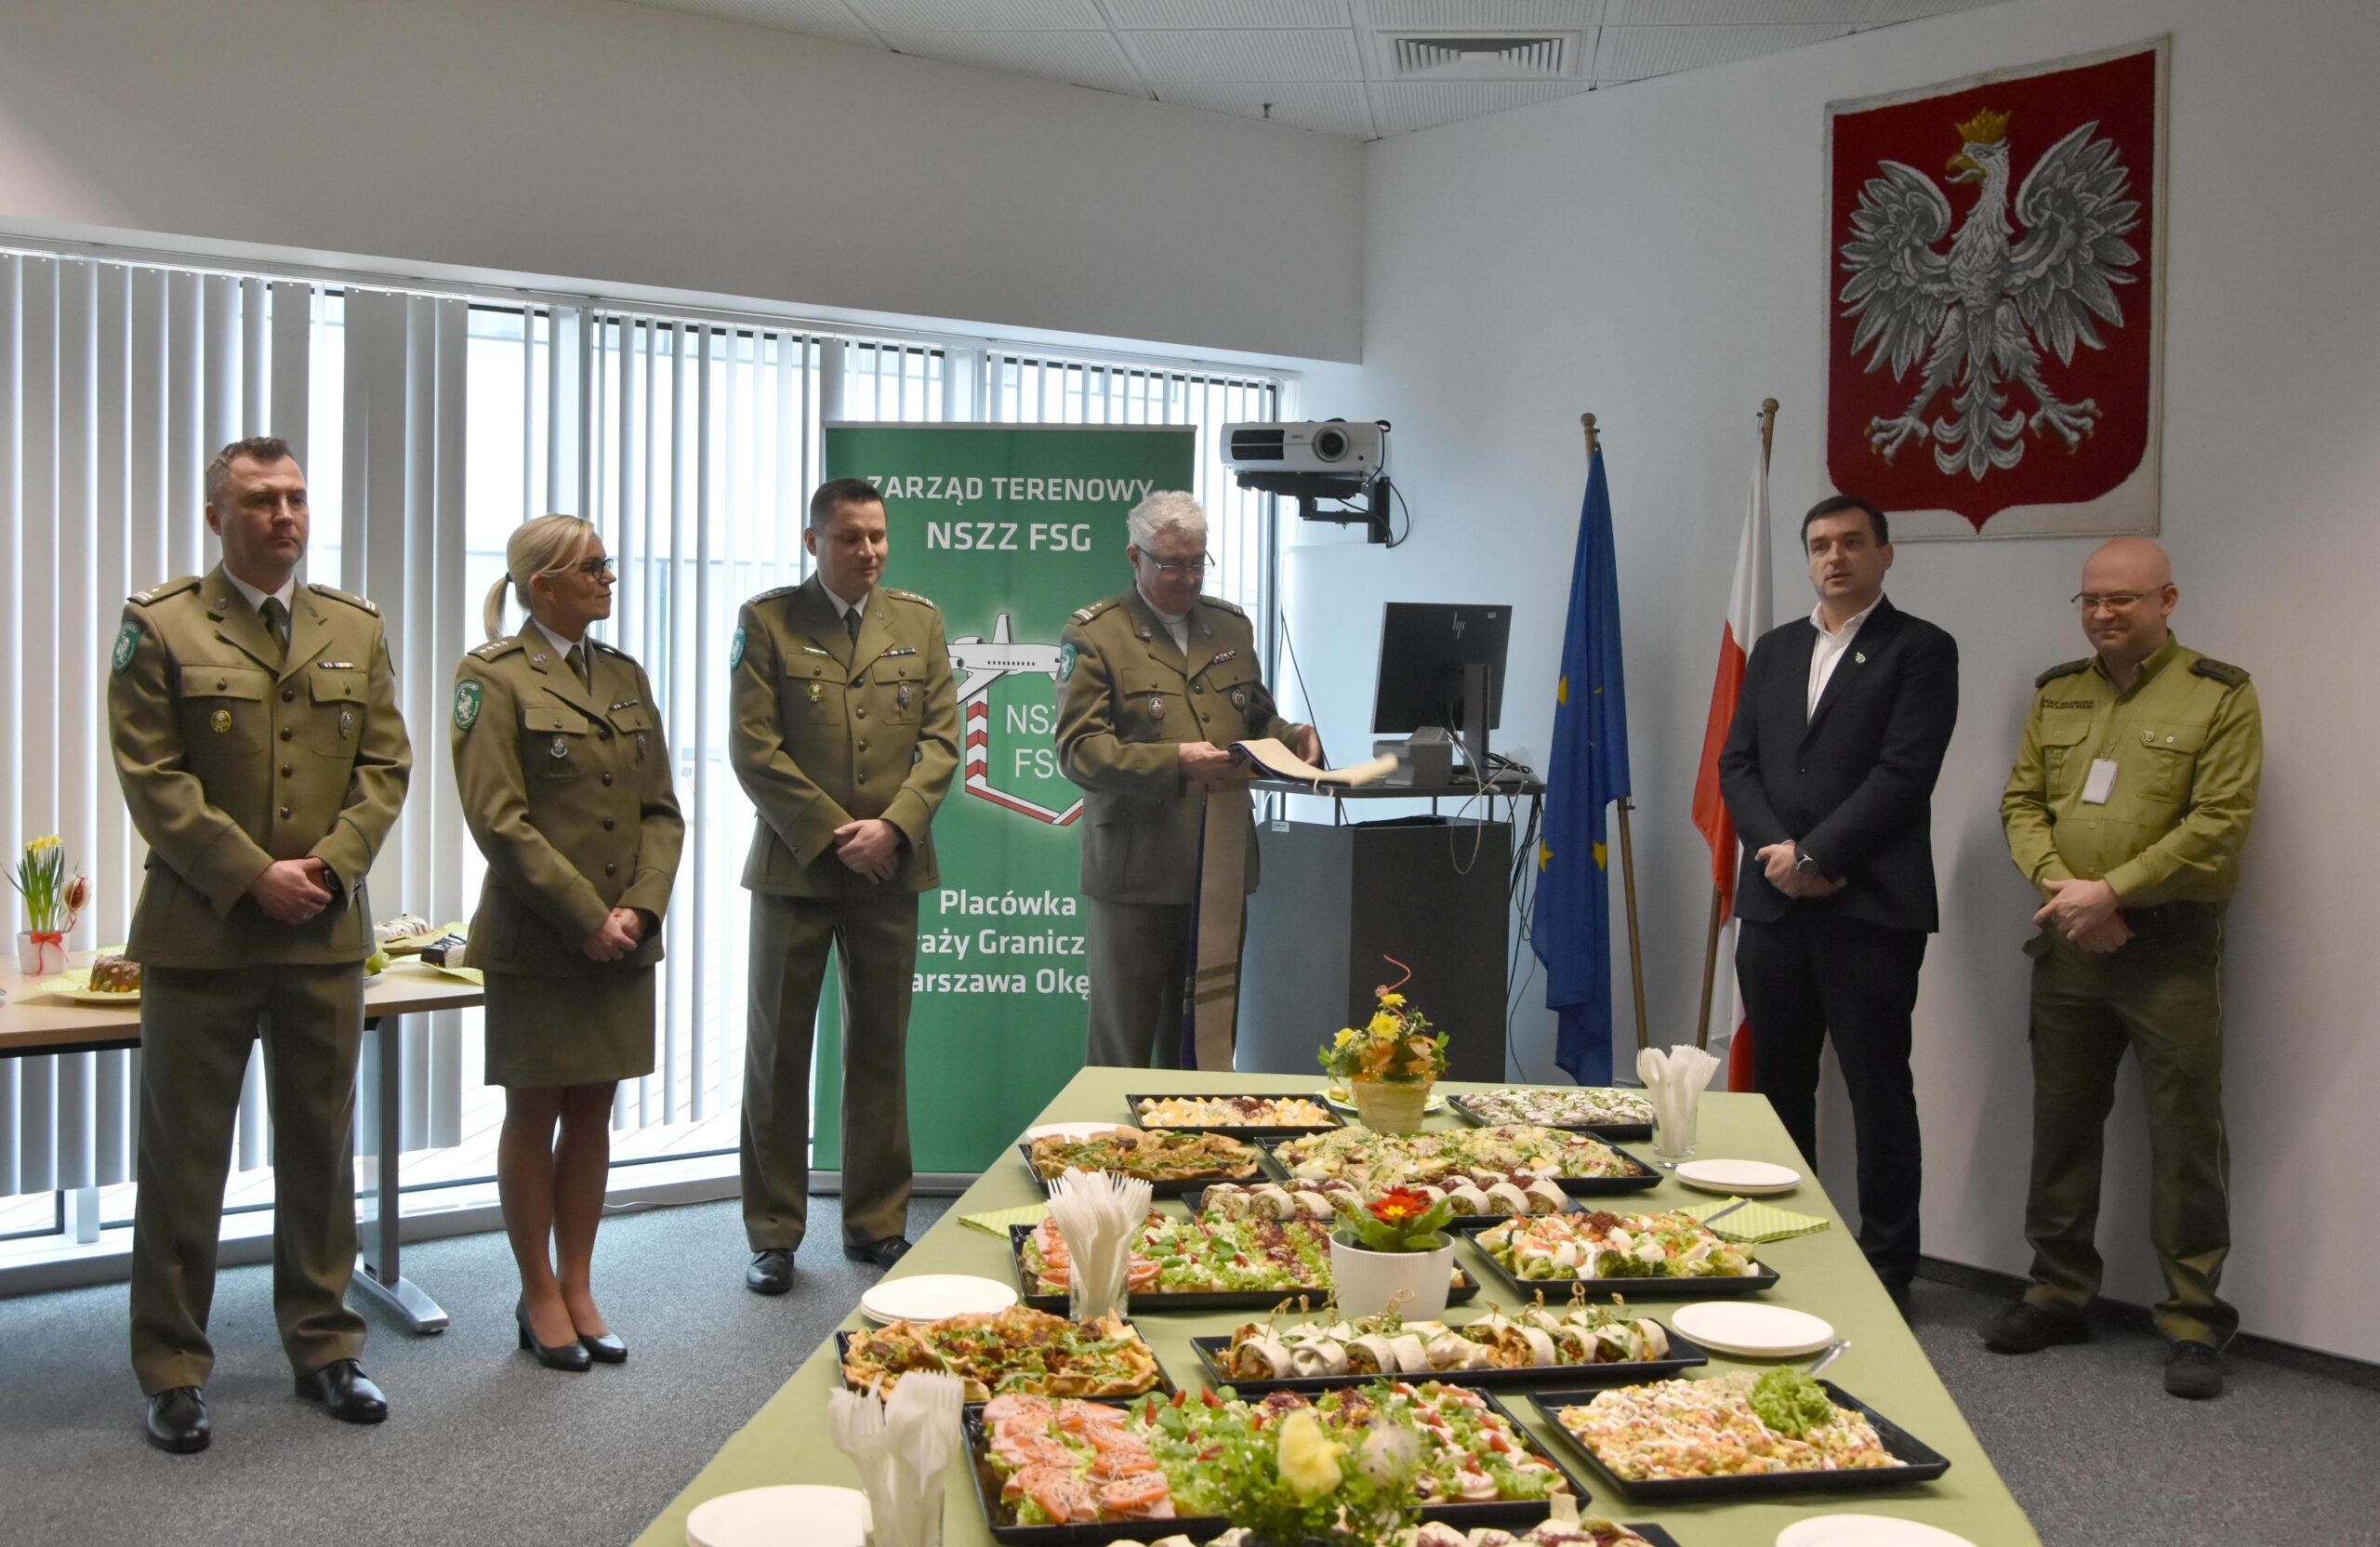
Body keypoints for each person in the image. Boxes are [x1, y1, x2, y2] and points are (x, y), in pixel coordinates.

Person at [108, 436, 413, 1452]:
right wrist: (252, 874)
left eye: (295, 497)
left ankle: (325, 1346)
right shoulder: (161, 623)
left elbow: (385, 766)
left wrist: (330, 864)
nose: (285, 515)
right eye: (259, 500)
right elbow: (153, 776)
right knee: (184, 1159)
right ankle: (171, 1366)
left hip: (323, 932)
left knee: (321, 1151)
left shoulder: (353, 627)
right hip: (202, 936)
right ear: (216, 517)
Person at [1984, 537, 2261, 1400]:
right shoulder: (2058, 692)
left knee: (2185, 1135)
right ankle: (2058, 1292)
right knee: (2062, 1121)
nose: (2104, 614)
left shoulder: (2220, 694)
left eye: (2124, 599)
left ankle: (2193, 1321)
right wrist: (2068, 894)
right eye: (2091, 600)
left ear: (2166, 600)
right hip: (2069, 941)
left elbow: (2218, 824)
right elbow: (2022, 803)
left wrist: (2114, 892)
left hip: (2169, 950)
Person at [451, 515, 683, 1370]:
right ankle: (538, 1291)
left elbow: (662, 810)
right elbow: (498, 819)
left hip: (623, 937)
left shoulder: (623, 674)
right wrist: (588, 916)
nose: (608, 577)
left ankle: (579, 1285)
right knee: (535, 1110)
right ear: (542, 584)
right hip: (542, 937)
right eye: (592, 566)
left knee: (593, 1111)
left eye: (607, 564)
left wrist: (641, 909)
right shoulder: (493, 676)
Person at [1717, 493, 1958, 1314]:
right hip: (1776, 906)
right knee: (1778, 1090)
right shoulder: (1776, 649)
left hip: (1869, 908)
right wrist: (1781, 858)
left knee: (1877, 1091)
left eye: (1853, 542)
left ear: (1884, 553)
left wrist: (1818, 856)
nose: (1835, 557)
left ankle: (1889, 1268)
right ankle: (1791, 1248)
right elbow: (1737, 765)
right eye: (1821, 544)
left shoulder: (1921, 650)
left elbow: (1904, 773)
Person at [730, 477, 959, 1293]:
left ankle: (875, 1224)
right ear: (813, 542)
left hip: (891, 869)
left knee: (879, 1051)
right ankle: (773, 1233)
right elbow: (754, 749)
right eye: (850, 537)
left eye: (878, 536)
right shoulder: (769, 621)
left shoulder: (919, 622)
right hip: (796, 870)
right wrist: (841, 836)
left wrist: (892, 828)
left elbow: (942, 743)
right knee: (779, 1053)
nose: (868, 551)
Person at [1055, 490, 1318, 1071]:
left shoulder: (1230, 627)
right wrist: (1175, 762)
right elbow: (1079, 751)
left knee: (1205, 1050)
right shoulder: (1096, 634)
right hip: (1136, 873)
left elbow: (1256, 718)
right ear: (1136, 557)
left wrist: (1293, 735)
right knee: (1121, 1056)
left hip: (1220, 867)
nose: (1189, 578)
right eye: (1173, 564)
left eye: (1198, 563)